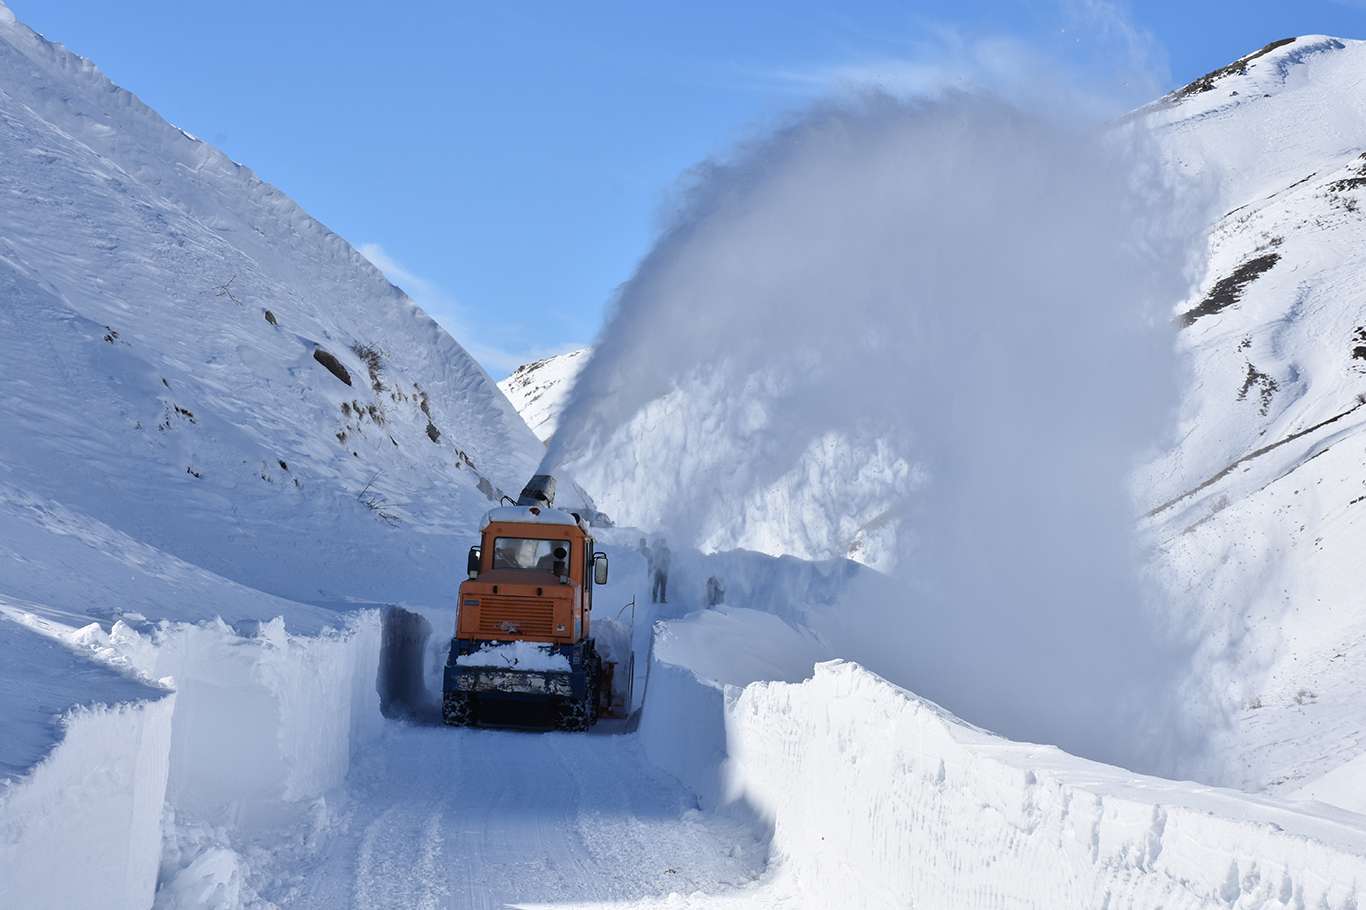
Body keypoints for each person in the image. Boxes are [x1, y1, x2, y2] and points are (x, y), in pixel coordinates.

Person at [651, 538, 671, 604]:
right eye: (662, 542)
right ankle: (654, 599)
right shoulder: (657, 550)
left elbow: (669, 560)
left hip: (665, 571)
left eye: (664, 542)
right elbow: (654, 558)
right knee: (656, 585)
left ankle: (662, 599)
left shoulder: (667, 550)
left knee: (663, 586)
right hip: (658, 571)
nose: (663, 543)